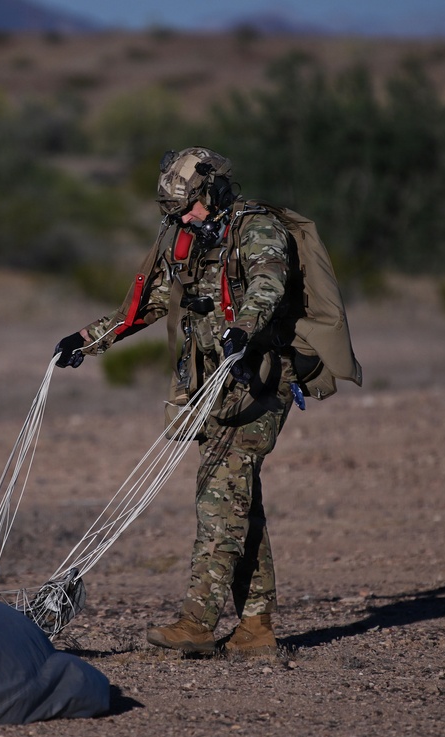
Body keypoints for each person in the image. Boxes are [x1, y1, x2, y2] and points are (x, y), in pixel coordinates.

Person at [54, 147, 298, 657]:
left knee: (218, 499)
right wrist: (86, 340)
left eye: (189, 207)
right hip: (211, 390)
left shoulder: (258, 229)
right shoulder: (187, 239)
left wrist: (241, 330)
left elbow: (268, 286)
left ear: (215, 191)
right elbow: (147, 304)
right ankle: (256, 629)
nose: (183, 218)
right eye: (176, 212)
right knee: (239, 504)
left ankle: (197, 623)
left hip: (258, 387)